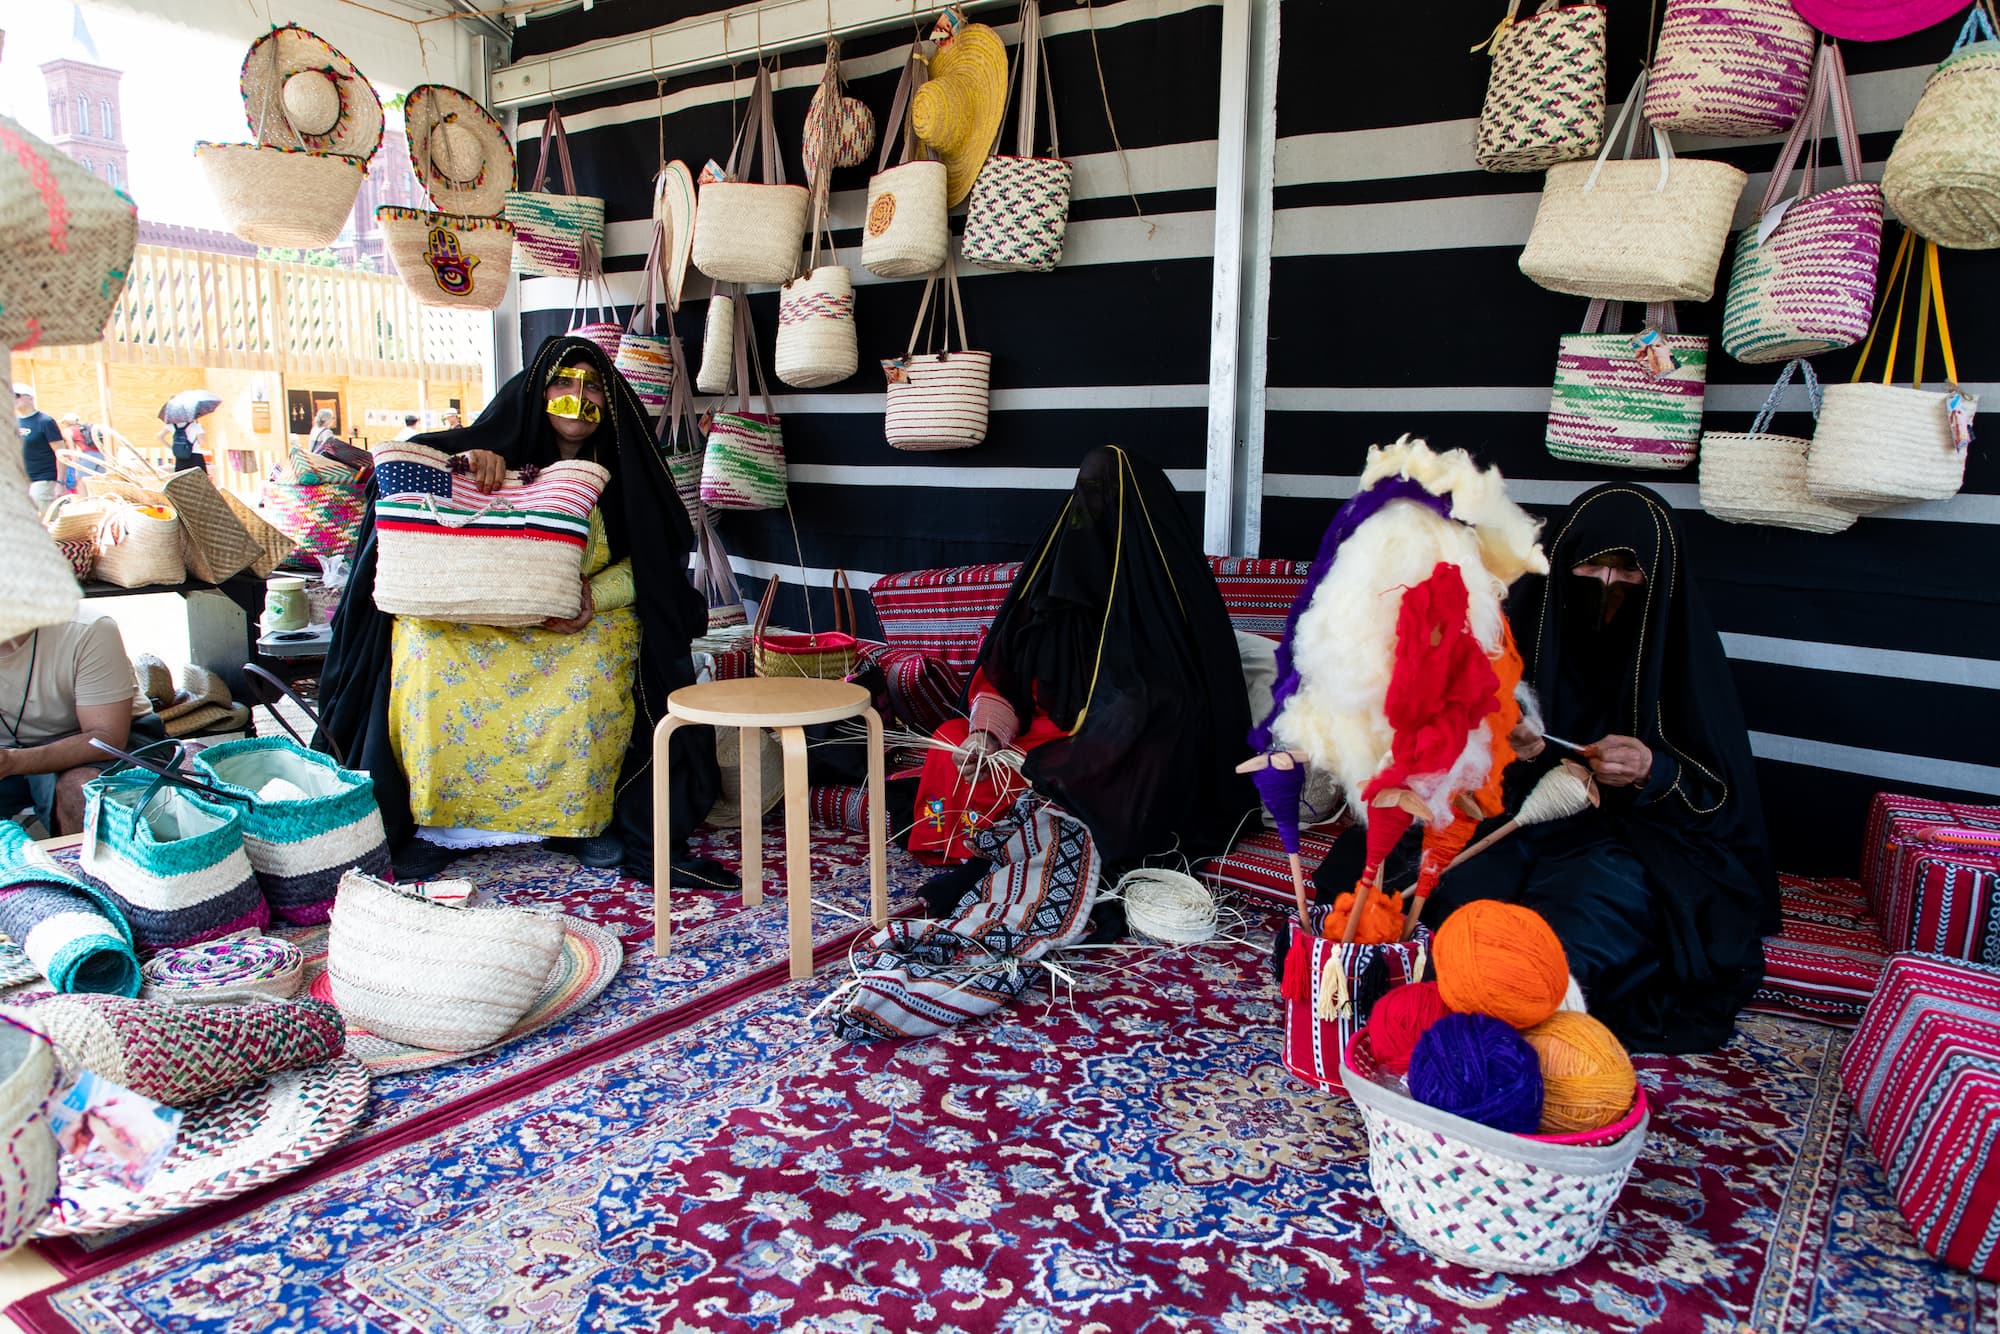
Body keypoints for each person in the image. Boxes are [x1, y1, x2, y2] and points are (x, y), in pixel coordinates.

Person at [317, 335, 725, 888]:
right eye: (562, 382)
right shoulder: (489, 453)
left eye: (592, 387)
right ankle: (440, 828)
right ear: (536, 390)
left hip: (575, 621)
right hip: (477, 616)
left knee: (595, 656)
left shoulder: (626, 474)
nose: (576, 396)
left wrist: (592, 598)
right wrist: (466, 467)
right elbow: (412, 491)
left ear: (610, 401)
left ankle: (577, 822)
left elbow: (651, 572)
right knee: (425, 649)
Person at [1384, 483, 1777, 1053]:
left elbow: (1718, 798)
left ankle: (1514, 1017)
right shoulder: (1524, 634)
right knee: (1447, 898)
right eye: (1590, 569)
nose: (1607, 587)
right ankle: (1450, 1003)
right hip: (1520, 817)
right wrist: (1503, 738)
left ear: (1660, 577)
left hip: (1635, 841)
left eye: (1628, 573)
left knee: (1573, 930)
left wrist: (1652, 770)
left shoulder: (1684, 662)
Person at [910, 445, 1259, 886]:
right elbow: (1001, 677)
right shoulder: (1047, 590)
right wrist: (987, 732)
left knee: (1086, 782)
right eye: (1084, 494)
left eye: (1105, 497)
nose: (1090, 510)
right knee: (950, 742)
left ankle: (1043, 853)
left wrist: (1096, 745)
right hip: (1027, 742)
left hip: (1109, 753)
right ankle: (960, 846)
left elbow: (1184, 705)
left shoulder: (1171, 601)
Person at [0, 617, 157, 837]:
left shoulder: (87, 628)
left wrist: (12, 761)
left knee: (83, 791)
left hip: (105, 742)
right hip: (11, 748)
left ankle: (90, 870)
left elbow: (107, 737)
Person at [15, 386, 62, 509]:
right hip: (22, 480)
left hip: (44, 480)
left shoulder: (45, 421)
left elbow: (62, 454)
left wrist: (60, 482)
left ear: (30, 397)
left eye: (16, 395)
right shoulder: (14, 422)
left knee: (43, 521)